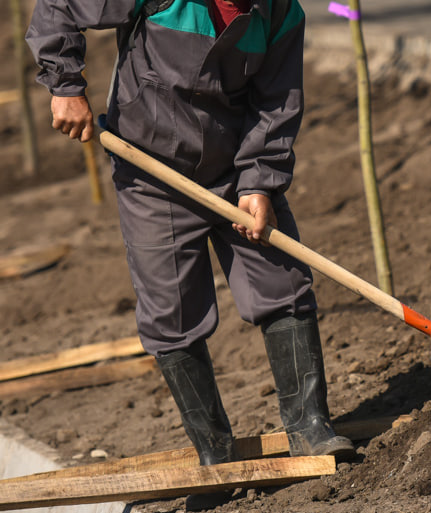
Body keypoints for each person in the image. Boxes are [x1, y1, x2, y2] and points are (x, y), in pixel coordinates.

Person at [26, 0, 354, 472]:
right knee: (171, 311)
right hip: (151, 172)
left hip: (235, 172)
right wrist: (64, 84)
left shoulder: (280, 12)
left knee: (282, 283)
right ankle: (215, 452)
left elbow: (276, 101)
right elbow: (58, 6)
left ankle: (309, 427)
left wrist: (260, 182)